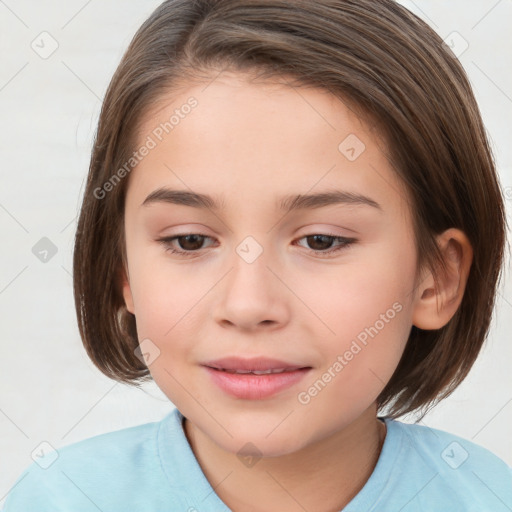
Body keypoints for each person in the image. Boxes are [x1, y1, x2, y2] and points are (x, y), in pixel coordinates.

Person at [3, 0, 511, 510]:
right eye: (189, 241)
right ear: (124, 272)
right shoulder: (59, 499)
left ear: (436, 278)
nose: (248, 305)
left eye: (321, 241)